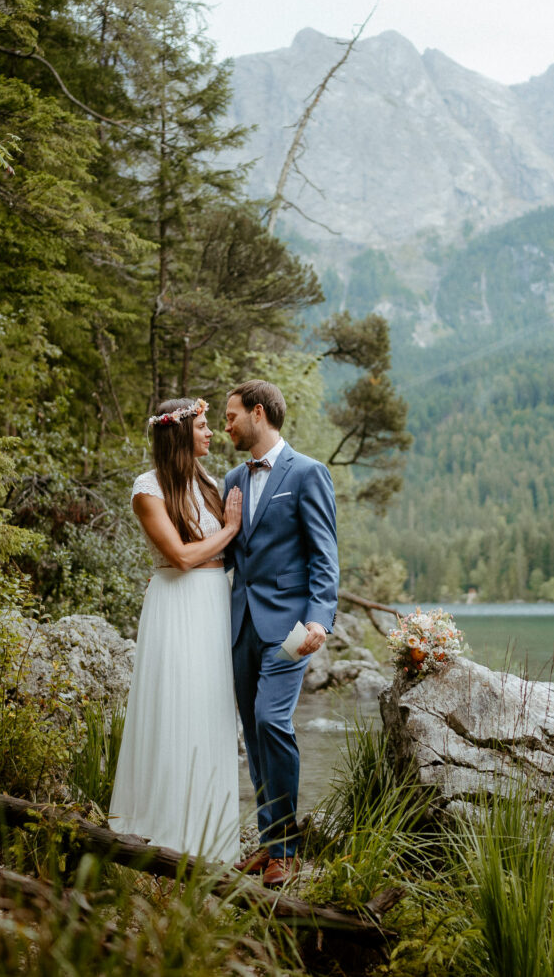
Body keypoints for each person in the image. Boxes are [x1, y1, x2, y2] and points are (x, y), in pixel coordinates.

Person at [108, 397, 246, 863]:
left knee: (209, 710)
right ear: (180, 433)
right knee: (174, 706)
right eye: (204, 426)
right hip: (176, 602)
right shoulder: (148, 489)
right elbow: (183, 557)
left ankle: (210, 841)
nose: (211, 433)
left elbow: (219, 554)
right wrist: (228, 531)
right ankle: (162, 834)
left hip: (213, 602)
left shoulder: (207, 481)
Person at [222, 379, 338, 887]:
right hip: (241, 624)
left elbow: (324, 554)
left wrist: (319, 617)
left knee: (272, 722)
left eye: (232, 416)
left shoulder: (308, 473)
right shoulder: (232, 478)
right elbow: (227, 551)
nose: (227, 425)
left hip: (291, 627)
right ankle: (268, 844)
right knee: (252, 729)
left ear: (259, 413)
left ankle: (287, 851)